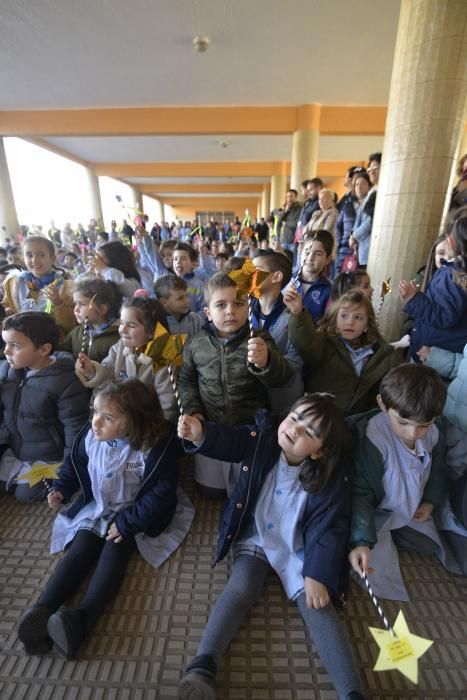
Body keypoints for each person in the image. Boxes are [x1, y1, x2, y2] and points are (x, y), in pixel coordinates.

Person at [177, 394, 365, 700]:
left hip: (299, 547)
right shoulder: (261, 439)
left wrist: (317, 574)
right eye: (294, 418)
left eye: (309, 432)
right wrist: (202, 433)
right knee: (241, 587)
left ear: (320, 452)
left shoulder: (331, 479)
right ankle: (203, 664)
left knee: (320, 608)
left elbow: (331, 529)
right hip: (256, 535)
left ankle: (352, 692)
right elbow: (231, 441)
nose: (294, 429)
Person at [17, 380, 194, 659]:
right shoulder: (91, 436)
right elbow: (74, 466)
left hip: (134, 512)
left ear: (134, 421)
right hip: (99, 506)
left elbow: (160, 496)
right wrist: (62, 490)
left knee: (114, 552)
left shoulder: (154, 449)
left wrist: (128, 523)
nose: (95, 422)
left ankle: (82, 619)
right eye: (94, 412)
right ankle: (43, 608)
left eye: (107, 417)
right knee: (82, 546)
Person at [348, 364, 465, 600]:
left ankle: (398, 532)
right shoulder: (373, 440)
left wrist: (430, 502)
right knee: (371, 570)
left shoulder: (434, 432)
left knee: (427, 547)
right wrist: (361, 540)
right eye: (403, 422)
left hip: (409, 508)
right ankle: (378, 538)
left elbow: (436, 470)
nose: (413, 434)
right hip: (377, 512)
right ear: (382, 404)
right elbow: (361, 495)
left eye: (424, 425)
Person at [178, 271, 294, 496]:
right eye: (221, 305)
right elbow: (186, 381)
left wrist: (266, 362)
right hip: (212, 429)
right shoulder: (195, 343)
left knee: (250, 491)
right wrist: (193, 410)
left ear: (248, 308)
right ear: (207, 313)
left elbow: (283, 377)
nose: (230, 311)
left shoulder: (259, 338)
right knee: (209, 492)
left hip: (250, 429)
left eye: (239, 303)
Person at [0, 312, 90, 503]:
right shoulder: (7, 370)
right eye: (6, 344)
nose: (6, 351)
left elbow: (75, 428)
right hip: (16, 449)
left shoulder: (65, 381)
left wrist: (69, 471)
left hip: (49, 458)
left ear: (43, 349)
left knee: (24, 494)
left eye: (15, 346)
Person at [285, 289, 403, 415]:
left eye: (358, 317)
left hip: (358, 424)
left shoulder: (384, 356)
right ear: (335, 320)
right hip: (321, 417)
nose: (350, 322)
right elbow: (305, 342)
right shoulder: (324, 343)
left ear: (367, 326)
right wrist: (298, 313)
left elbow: (391, 393)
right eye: (344, 315)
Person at [75, 296, 176, 422]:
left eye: (131, 325)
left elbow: (168, 404)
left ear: (152, 331)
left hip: (148, 425)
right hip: (120, 419)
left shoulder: (165, 358)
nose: (122, 330)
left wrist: (152, 430)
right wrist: (91, 371)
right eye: (122, 323)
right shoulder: (120, 347)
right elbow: (107, 375)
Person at [418, 343, 467, 572]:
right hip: (450, 412)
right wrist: (436, 357)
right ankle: (433, 498)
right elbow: (462, 364)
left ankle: (446, 510)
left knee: (455, 469)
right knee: (437, 455)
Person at [400, 213, 467, 359]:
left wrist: (414, 298)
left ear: (451, 241)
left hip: (434, 354)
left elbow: (444, 316)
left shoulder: (452, 275)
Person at [251, 251, 304, 413]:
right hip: (252, 400)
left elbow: (296, 360)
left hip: (281, 400)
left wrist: (267, 361)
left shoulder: (293, 315)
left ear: (276, 277)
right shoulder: (245, 311)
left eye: (256, 270)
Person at [3, 236, 76, 336]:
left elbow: (72, 326)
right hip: (21, 341)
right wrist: (6, 311)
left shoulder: (67, 288)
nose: (34, 260)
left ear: (53, 258)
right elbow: (6, 305)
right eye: (29, 255)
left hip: (53, 345)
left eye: (41, 255)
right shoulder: (15, 284)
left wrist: (59, 304)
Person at [62, 277, 122, 362]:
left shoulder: (116, 340)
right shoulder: (76, 333)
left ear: (102, 309)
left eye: (81, 304)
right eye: (76, 303)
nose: (76, 309)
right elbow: (63, 352)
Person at [290, 230, 333, 323]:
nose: (310, 257)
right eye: (307, 251)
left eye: (318, 254)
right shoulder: (287, 280)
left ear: (328, 259)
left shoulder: (329, 290)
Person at [348, 172, 375, 270]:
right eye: (357, 184)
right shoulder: (361, 204)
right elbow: (356, 225)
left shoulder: (372, 199)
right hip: (360, 249)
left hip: (368, 249)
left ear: (369, 185)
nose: (359, 187)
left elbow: (369, 222)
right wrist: (352, 236)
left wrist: (354, 236)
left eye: (363, 183)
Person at [172, 242, 206, 313]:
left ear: (193, 264)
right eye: (175, 259)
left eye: (183, 259)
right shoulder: (169, 283)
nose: (178, 262)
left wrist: (191, 323)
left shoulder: (198, 285)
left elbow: (204, 309)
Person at [277, 189, 302, 254]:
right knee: (283, 262)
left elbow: (297, 224)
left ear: (296, 197)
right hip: (283, 241)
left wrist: (285, 223)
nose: (289, 198)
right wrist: (285, 211)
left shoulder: (300, 208)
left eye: (291, 196)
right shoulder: (285, 208)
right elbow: (279, 222)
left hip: (294, 241)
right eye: (287, 196)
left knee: (292, 262)